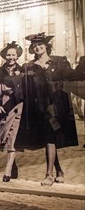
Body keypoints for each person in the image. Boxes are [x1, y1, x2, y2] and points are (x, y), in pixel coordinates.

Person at [24, 32, 78, 186]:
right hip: (38, 107)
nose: (37, 47)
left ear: (46, 46)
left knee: (49, 137)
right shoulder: (30, 67)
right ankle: (59, 170)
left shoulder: (58, 63)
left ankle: (49, 174)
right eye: (34, 46)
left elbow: (72, 77)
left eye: (40, 45)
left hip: (55, 106)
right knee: (49, 138)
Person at [0, 41, 24, 182]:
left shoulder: (22, 71)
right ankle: (13, 166)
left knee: (13, 138)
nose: (11, 57)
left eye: (13, 55)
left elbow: (26, 89)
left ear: (17, 56)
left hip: (17, 107)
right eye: (8, 55)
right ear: (5, 56)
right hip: (3, 108)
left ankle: (7, 171)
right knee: (5, 137)